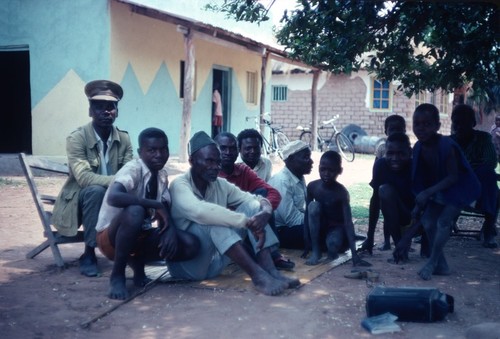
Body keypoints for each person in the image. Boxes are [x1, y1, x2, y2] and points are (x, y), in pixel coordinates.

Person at [168, 131, 300, 296]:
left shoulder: (220, 184)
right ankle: (258, 277)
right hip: (187, 268)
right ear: (191, 161)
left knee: (252, 206)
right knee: (213, 220)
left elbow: (255, 200)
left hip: (215, 262)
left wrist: (265, 212)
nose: (215, 167)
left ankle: (271, 271)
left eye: (217, 162)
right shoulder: (179, 185)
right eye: (209, 161)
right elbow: (200, 212)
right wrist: (246, 222)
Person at [95, 128, 200, 300]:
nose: (158, 155)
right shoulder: (133, 169)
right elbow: (114, 197)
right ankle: (118, 275)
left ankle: (138, 264)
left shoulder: (161, 176)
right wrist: (153, 204)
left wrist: (170, 231)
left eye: (163, 149)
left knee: (190, 244)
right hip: (110, 239)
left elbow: (164, 207)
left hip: (138, 237)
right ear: (140, 152)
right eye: (151, 150)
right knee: (135, 211)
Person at [52, 80, 134, 277]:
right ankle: (89, 253)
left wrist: (122, 183)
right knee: (95, 191)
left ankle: (130, 250)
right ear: (90, 111)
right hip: (80, 201)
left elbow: (130, 172)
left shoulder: (124, 139)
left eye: (110, 107)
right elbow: (84, 178)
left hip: (113, 197)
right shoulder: (77, 138)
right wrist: (117, 182)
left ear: (117, 111)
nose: (105, 112)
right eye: (98, 107)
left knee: (134, 195)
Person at [411, 103, 480, 280]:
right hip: (441, 187)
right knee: (427, 221)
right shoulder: (418, 147)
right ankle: (441, 264)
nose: (421, 128)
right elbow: (421, 177)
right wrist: (420, 202)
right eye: (417, 124)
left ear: (437, 126)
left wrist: (427, 193)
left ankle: (433, 262)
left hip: (461, 188)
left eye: (427, 124)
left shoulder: (446, 146)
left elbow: (453, 177)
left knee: (443, 222)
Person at [214, 132, 294, 271]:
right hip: (224, 227)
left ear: (237, 150)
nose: (228, 152)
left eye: (232, 148)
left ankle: (271, 254)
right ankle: (266, 256)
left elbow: (273, 193)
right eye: (223, 148)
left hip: (250, 223)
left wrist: (264, 213)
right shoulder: (211, 174)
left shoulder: (243, 170)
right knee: (253, 204)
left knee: (262, 196)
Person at [304, 151, 371, 267]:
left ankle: (330, 249)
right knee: (313, 207)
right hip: (321, 227)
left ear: (339, 171)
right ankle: (316, 251)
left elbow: (348, 222)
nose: (326, 174)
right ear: (318, 168)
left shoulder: (341, 193)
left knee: (333, 245)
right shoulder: (312, 186)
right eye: (323, 169)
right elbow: (307, 216)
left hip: (336, 228)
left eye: (331, 170)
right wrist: (306, 243)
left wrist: (355, 255)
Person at [358, 132, 415, 256]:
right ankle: (398, 246)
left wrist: (409, 236)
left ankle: (423, 244)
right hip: (396, 214)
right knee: (384, 190)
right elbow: (375, 201)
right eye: (390, 153)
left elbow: (426, 207)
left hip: (416, 216)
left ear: (410, 153)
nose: (395, 158)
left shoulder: (416, 167)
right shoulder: (381, 166)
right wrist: (370, 236)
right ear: (385, 152)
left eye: (400, 153)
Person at [450, 104, 498, 248]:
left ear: (473, 123)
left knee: (488, 175)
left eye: (464, 122)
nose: (459, 126)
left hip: (479, 183)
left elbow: (490, 161)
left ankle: (488, 233)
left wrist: (468, 171)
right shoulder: (449, 142)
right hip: (454, 184)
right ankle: (427, 231)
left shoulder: (483, 138)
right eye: (456, 122)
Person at [269, 140, 314, 254]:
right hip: (281, 231)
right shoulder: (282, 181)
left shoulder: (299, 176)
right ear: (290, 160)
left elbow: (302, 210)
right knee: (321, 231)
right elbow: (291, 220)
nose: (311, 161)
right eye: (305, 157)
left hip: (294, 227)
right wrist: (317, 221)